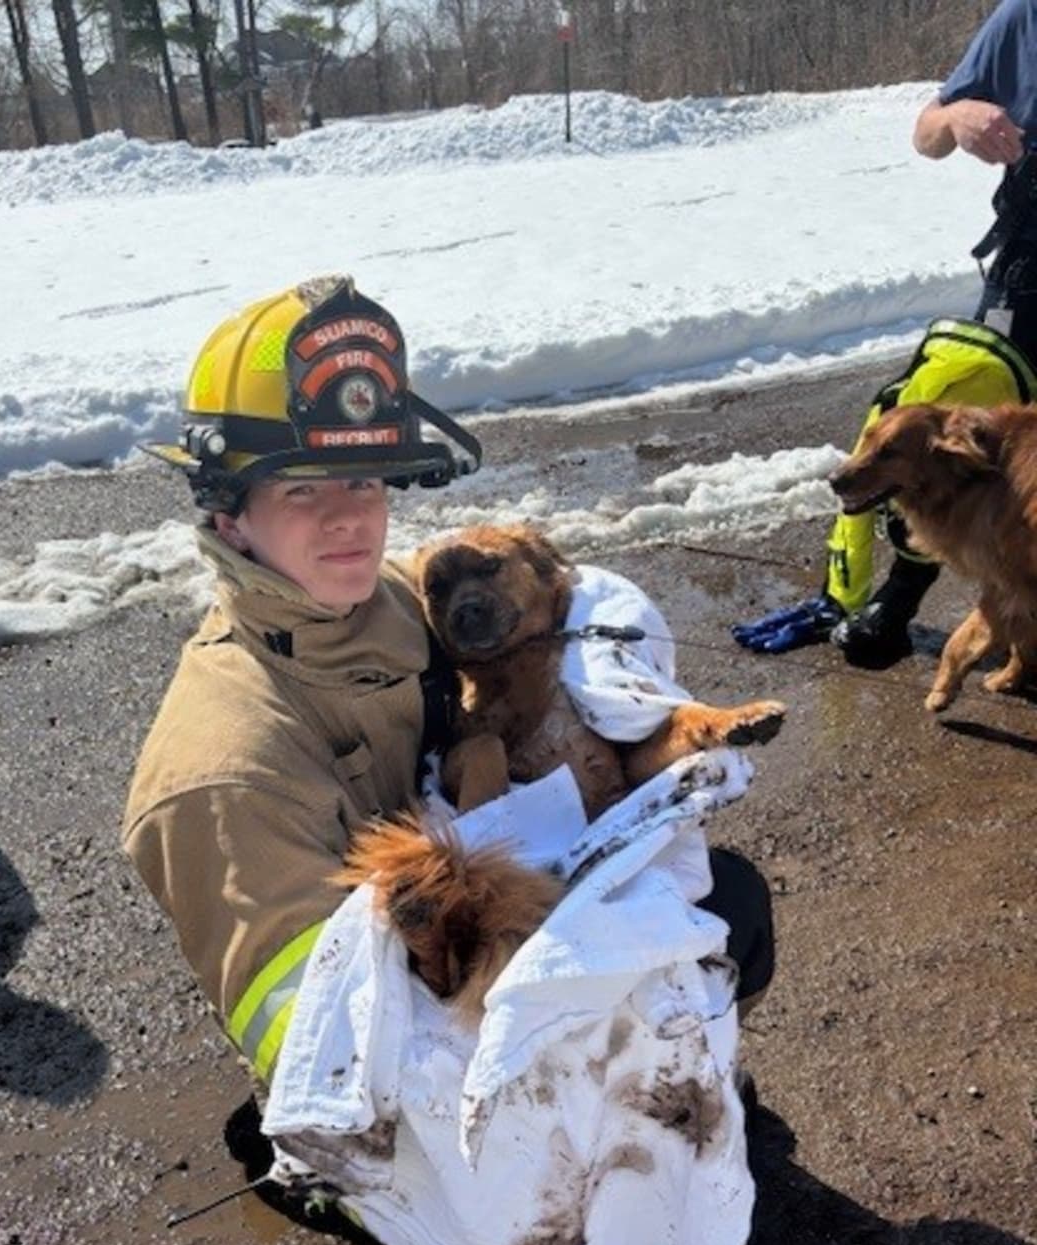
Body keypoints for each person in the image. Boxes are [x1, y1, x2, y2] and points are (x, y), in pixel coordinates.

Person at [124, 275, 773, 1104]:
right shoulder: (222, 765)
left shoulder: (391, 600)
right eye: (302, 489)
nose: (350, 519)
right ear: (227, 516)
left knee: (732, 902)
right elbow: (317, 1042)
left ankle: (686, 1072)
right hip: (414, 1034)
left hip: (521, 904)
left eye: (364, 482)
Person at [736, 0, 1037, 666]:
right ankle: (897, 600)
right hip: (1030, 270)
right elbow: (926, 131)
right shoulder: (1023, 20)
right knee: (964, 436)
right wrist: (957, 117)